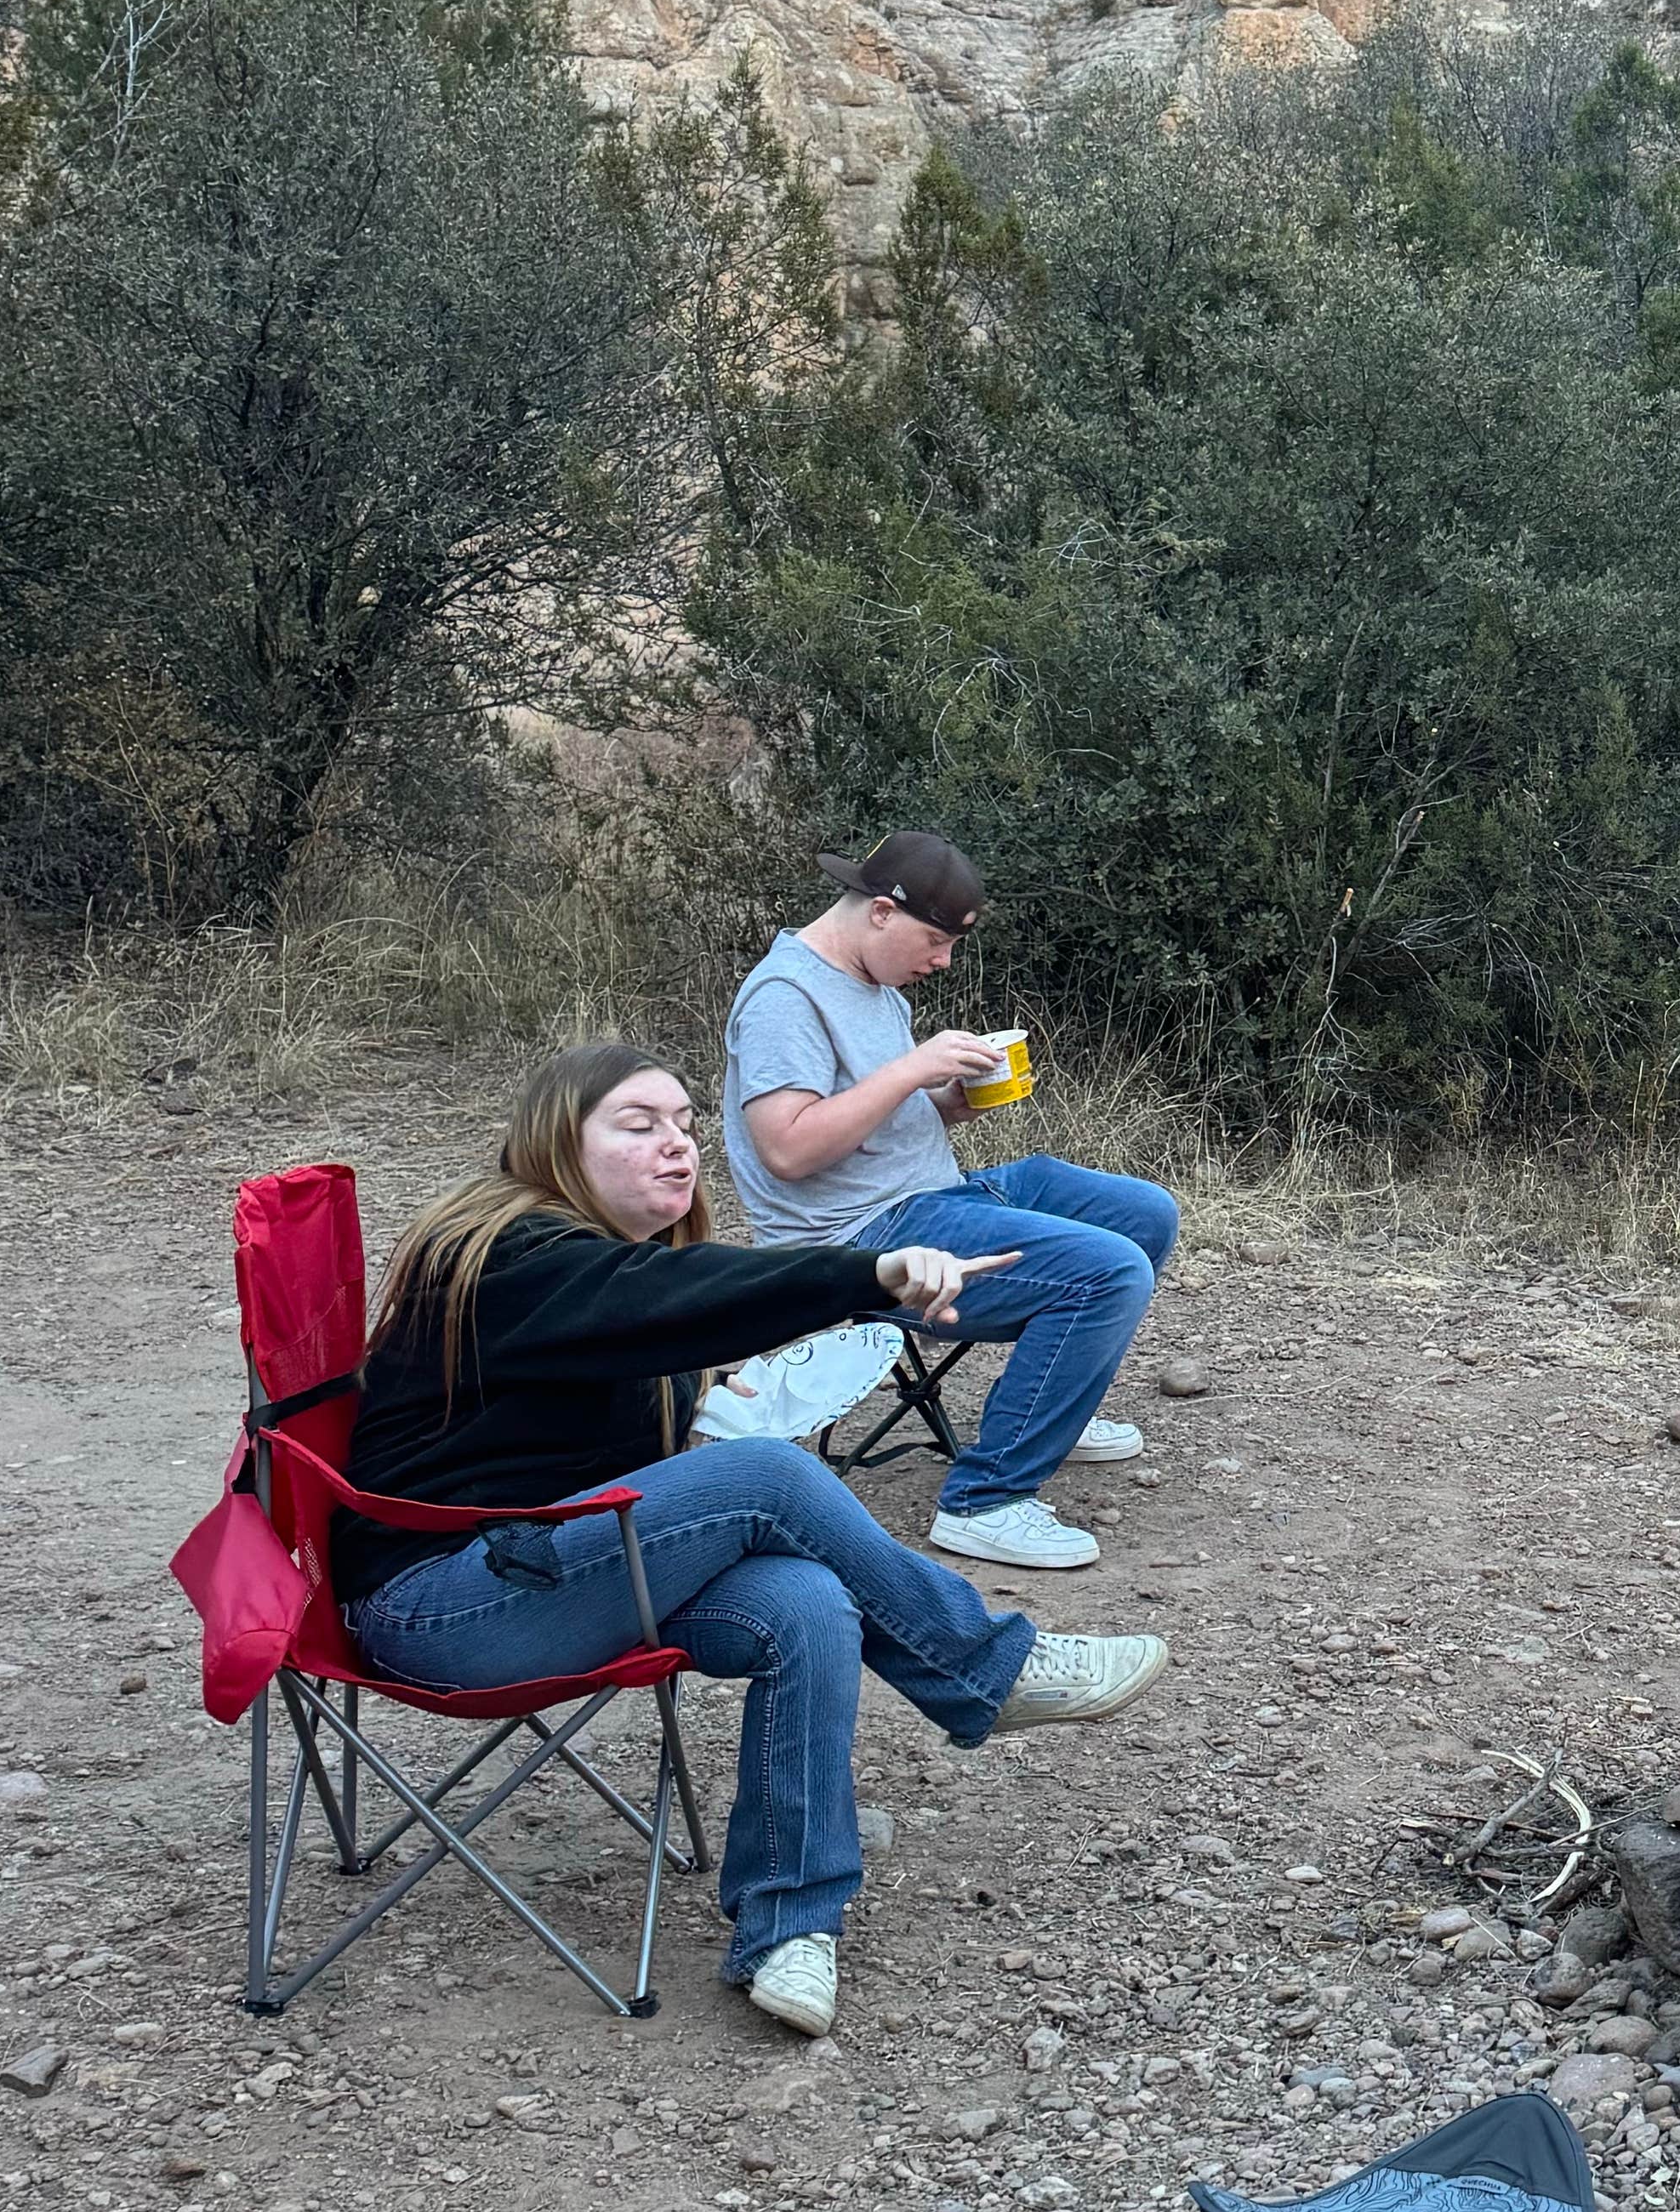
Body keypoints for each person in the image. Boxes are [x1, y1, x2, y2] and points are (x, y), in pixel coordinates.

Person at [339, 1043, 1168, 2041]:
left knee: (804, 1602)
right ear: (559, 1141)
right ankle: (990, 1665)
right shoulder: (515, 1254)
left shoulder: (604, 1270)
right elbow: (685, 1301)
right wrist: (871, 1272)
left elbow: (638, 1341)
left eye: (685, 1125)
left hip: (548, 1568)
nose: (676, 1146)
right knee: (769, 1477)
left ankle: (791, 1924)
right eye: (637, 1125)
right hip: (441, 1607)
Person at [720, 831, 1180, 1578]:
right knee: (1111, 1272)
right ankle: (985, 1504)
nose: (941, 962)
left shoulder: (871, 982)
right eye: (934, 941)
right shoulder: (785, 999)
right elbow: (788, 1148)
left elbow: (876, 1118)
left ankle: (1048, 1406)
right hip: (860, 1238)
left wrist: (950, 1100)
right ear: (878, 913)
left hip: (935, 1195)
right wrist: (910, 1071)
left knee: (1144, 1213)